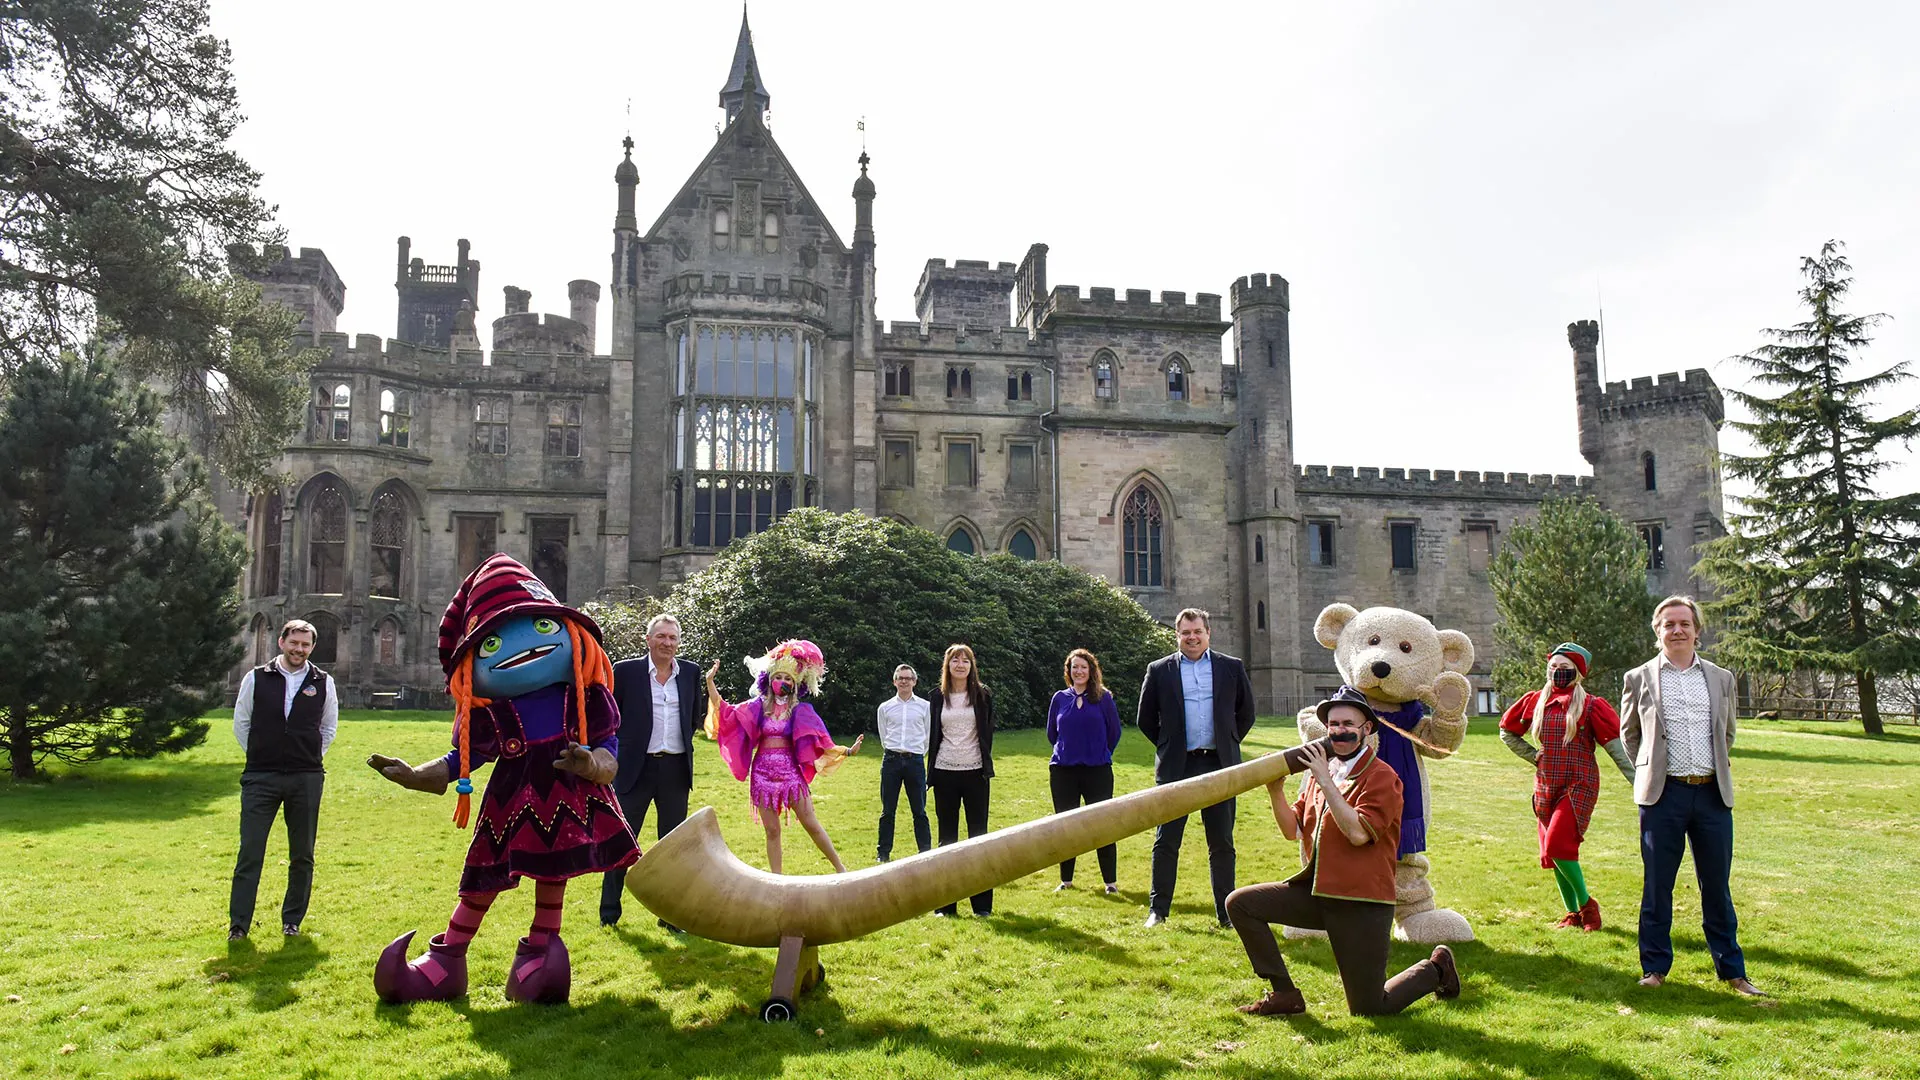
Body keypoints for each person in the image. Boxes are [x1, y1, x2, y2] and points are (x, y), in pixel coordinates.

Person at [367, 554, 637, 1004]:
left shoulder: (587, 699)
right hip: (509, 802)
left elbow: (611, 755)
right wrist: (419, 775)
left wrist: (589, 764)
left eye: (544, 628)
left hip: (567, 796)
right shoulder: (496, 714)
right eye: (490, 646)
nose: (521, 648)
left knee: (556, 874)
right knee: (484, 876)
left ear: (573, 634)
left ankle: (540, 952)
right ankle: (447, 960)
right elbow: (463, 758)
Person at [1224, 687, 1461, 1017]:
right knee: (1241, 903)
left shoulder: (1382, 777)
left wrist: (1324, 781)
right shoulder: (1321, 775)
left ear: (1366, 729)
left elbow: (1358, 834)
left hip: (1361, 903)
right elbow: (1292, 831)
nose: (1339, 731)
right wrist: (1274, 789)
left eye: (1348, 723)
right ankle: (1284, 994)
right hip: (1319, 894)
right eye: (1333, 724)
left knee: (1369, 1008)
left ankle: (1436, 968)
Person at [1622, 596, 1762, 996]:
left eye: (1684, 623)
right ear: (1658, 631)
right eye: (1669, 624)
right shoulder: (1639, 678)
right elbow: (1629, 735)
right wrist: (1651, 769)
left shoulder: (1720, 678)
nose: (1678, 630)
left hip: (1712, 797)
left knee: (1716, 886)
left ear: (1697, 630)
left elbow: (1728, 732)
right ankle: (1654, 968)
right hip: (1662, 797)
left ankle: (1734, 972)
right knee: (1657, 886)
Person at [1499, 642, 1635, 930]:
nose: (1557, 673)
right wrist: (1531, 754)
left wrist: (1640, 785)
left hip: (1579, 784)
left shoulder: (1592, 706)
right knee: (1553, 853)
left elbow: (1616, 750)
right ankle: (1572, 914)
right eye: (1553, 668)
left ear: (1577, 672)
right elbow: (1506, 732)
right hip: (1546, 784)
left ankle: (1588, 907)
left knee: (1559, 845)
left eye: (1564, 668)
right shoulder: (1535, 701)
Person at [1137, 607, 1257, 928]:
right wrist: (1169, 746)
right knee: (1166, 841)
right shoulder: (1159, 670)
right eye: (1185, 633)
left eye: (1197, 632)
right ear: (1177, 635)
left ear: (1208, 633)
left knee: (1221, 843)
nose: (1192, 637)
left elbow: (1246, 715)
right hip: (1177, 766)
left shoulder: (1231, 668)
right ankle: (1158, 911)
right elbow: (1145, 719)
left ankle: (1227, 915)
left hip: (1218, 766)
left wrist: (1228, 742)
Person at [705, 639, 863, 874]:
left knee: (811, 823)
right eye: (778, 677)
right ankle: (777, 880)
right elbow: (727, 711)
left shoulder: (801, 710)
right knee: (772, 830)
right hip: (762, 775)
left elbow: (821, 739)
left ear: (796, 683)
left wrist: (847, 751)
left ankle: (841, 869)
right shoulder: (758, 706)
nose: (782, 682)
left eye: (788, 679)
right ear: (769, 680)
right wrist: (710, 682)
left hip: (790, 774)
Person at [228, 619, 338, 940]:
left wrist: (307, 756)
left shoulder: (323, 681)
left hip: (305, 777)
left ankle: (292, 921)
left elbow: (328, 728)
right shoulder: (257, 678)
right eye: (294, 643)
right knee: (250, 851)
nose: (299, 650)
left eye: (305, 645)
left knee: (302, 854)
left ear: (312, 648)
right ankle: (239, 926)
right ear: (281, 642)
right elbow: (241, 722)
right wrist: (265, 754)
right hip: (261, 776)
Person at [599, 613, 702, 929]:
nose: (667, 643)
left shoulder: (690, 673)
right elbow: (609, 716)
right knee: (621, 840)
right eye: (661, 636)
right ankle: (609, 914)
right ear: (648, 640)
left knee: (673, 848)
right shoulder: (626, 672)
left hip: (674, 770)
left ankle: (670, 916)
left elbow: (695, 715)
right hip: (634, 769)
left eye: (672, 638)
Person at [1046, 648, 1123, 893]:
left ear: (1091, 671)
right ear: (1068, 671)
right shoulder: (1059, 698)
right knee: (1066, 827)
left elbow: (1114, 733)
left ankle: (1110, 883)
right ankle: (1066, 880)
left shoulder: (1104, 698)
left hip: (1097, 771)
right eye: (1074, 667)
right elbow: (1052, 733)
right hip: (1063, 771)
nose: (1078, 671)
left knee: (1103, 826)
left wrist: (1098, 752)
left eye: (1083, 667)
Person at [928, 643, 996, 916]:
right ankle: (946, 905)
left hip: (975, 773)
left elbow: (988, 732)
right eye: (955, 660)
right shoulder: (936, 697)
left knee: (979, 838)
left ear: (971, 666)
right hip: (944, 773)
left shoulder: (983, 695)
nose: (960, 664)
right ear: (948, 665)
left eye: (965, 660)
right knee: (947, 839)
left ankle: (982, 906)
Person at [875, 664, 932, 863]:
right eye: (900, 678)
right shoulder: (885, 707)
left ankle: (925, 851)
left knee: (919, 810)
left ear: (914, 682)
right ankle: (883, 853)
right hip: (891, 760)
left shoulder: (925, 707)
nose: (904, 681)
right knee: (888, 810)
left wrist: (917, 753)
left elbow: (928, 735)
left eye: (908, 678)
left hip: (915, 761)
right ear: (894, 681)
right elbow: (884, 735)